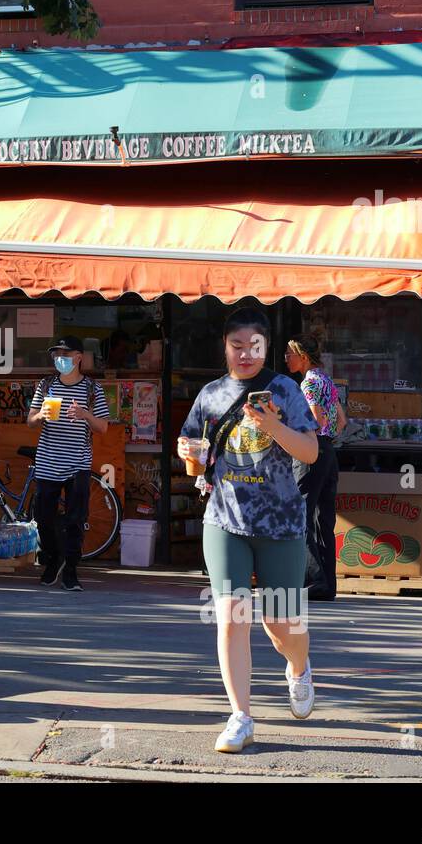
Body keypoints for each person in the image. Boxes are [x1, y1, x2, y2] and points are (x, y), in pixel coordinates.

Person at [178, 308, 320, 754]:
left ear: (265, 348)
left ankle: (299, 668)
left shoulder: (286, 391)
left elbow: (311, 452)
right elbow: (196, 459)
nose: (244, 353)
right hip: (225, 522)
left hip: (280, 525)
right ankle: (240, 716)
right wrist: (190, 454)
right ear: (225, 347)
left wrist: (273, 425)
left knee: (281, 624)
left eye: (253, 346)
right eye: (236, 346)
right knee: (232, 617)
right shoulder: (211, 395)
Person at [27, 336, 110, 592]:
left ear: (78, 358)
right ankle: (54, 558)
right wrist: (40, 414)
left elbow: (104, 427)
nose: (59, 358)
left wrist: (85, 414)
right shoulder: (46, 384)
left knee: (75, 519)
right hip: (48, 460)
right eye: (56, 354)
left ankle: (71, 570)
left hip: (78, 462)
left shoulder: (92, 389)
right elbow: (30, 420)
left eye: (65, 353)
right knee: (43, 517)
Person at [285, 334, 347, 602]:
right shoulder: (326, 380)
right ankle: (327, 584)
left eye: (290, 353)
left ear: (303, 357)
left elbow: (315, 417)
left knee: (301, 514)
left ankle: (313, 580)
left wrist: (291, 432)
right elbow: (341, 420)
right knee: (324, 519)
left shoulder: (308, 383)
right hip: (329, 451)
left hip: (310, 450)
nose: (286, 358)